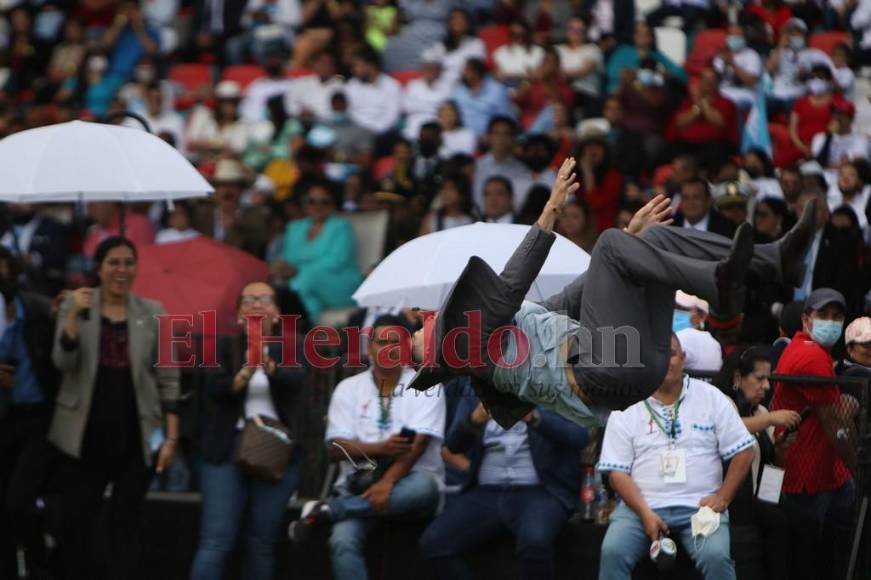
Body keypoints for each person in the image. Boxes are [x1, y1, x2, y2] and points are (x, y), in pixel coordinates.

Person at [407, 160, 816, 429]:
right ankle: (719, 290)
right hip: (600, 371)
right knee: (607, 243)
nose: (446, 320)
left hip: (638, 370)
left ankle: (773, 259)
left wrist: (633, 238)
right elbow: (514, 281)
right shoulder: (475, 349)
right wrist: (551, 207)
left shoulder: (507, 331)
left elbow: (576, 295)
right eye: (437, 331)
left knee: (653, 237)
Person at [51, 236, 180, 580]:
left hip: (137, 434)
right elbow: (62, 361)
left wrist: (170, 437)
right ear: (99, 267)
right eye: (113, 263)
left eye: (128, 263)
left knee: (127, 521)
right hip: (84, 432)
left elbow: (169, 376)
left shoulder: (155, 311)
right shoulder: (76, 305)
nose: (121, 270)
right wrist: (75, 315)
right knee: (77, 520)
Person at [287, 315, 446, 580]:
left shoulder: (426, 385)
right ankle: (338, 509)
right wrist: (382, 448)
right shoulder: (348, 388)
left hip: (409, 484)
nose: (388, 348)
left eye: (396, 342)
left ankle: (330, 510)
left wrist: (388, 482)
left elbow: (418, 446)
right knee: (342, 541)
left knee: (424, 486)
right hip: (359, 485)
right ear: (369, 348)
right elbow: (336, 448)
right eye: (381, 342)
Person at [597, 334, 755, 580]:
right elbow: (617, 473)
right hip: (640, 508)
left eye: (670, 354)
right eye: (656, 355)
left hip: (699, 508)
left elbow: (745, 450)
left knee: (716, 558)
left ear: (683, 358)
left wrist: (723, 498)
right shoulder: (626, 404)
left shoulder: (711, 398)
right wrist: (645, 514)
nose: (664, 362)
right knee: (612, 552)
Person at [190, 282, 306, 580]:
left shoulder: (292, 348)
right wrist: (245, 370)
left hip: (276, 452)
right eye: (249, 300)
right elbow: (215, 390)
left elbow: (294, 382)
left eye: (264, 299)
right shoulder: (221, 347)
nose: (256, 304)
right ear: (239, 312)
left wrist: (269, 366)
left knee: (261, 542)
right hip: (225, 452)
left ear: (278, 313)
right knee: (216, 540)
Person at [419, 393, 589, 580]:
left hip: (541, 492)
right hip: (486, 491)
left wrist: (534, 418)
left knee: (535, 540)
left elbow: (579, 437)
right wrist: (474, 420)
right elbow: (453, 445)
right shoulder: (474, 392)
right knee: (434, 542)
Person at [770, 288, 857, 580]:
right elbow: (836, 423)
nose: (830, 322)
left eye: (836, 316)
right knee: (812, 558)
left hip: (828, 471)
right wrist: (860, 469)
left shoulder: (808, 349)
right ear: (807, 320)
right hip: (806, 478)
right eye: (823, 315)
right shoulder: (812, 357)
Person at [0, 247, 59, 577]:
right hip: (2, 418)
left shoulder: (36, 310)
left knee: (19, 501)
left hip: (36, 418)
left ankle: (41, 553)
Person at [716, 346, 798, 580]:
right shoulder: (722, 403)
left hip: (762, 494)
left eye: (768, 379)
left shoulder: (760, 411)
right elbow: (730, 428)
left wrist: (780, 448)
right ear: (738, 378)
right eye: (760, 379)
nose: (766, 386)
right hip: (731, 498)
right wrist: (770, 419)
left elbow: (774, 467)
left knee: (799, 519)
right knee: (778, 522)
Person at [271, 181, 362, 322]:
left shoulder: (341, 227)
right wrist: (281, 266)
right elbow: (288, 258)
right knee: (310, 302)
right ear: (305, 204)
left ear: (333, 204)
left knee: (305, 279)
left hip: (340, 283)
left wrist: (298, 270)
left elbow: (336, 261)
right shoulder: (294, 228)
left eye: (324, 201)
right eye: (312, 201)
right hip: (304, 285)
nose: (317, 206)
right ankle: (303, 332)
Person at [192, 158, 271, 258]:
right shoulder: (203, 213)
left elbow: (261, 239)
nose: (228, 190)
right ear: (216, 189)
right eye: (223, 185)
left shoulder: (254, 215)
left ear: (241, 190)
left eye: (233, 185)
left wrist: (239, 223)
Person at [473, 116, 533, 211]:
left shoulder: (522, 170)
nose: (501, 138)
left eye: (506, 134)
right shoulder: (476, 167)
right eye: (496, 133)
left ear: (513, 139)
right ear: (489, 137)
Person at [345, 45, 402, 136]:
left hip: (382, 133)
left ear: (370, 66)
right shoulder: (351, 85)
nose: (354, 70)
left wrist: (375, 130)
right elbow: (348, 112)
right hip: (356, 132)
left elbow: (392, 116)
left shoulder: (391, 85)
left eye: (357, 66)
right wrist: (361, 131)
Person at [424, 7, 486, 90]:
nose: (457, 22)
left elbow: (475, 71)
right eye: (453, 19)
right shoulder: (441, 45)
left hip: (464, 88)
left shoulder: (476, 44)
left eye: (461, 19)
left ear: (468, 23)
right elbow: (428, 60)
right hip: (441, 87)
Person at [451, 58, 513, 139]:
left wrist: (490, 136)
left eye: (466, 71)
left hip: (488, 138)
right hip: (462, 137)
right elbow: (450, 111)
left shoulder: (497, 90)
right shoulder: (459, 90)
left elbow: (503, 118)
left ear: (475, 73)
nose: (463, 74)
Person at [673, 291, 722, 372]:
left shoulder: (685, 337)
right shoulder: (716, 344)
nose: (675, 311)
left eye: (683, 309)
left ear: (702, 317)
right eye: (675, 306)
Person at [672, 178, 737, 238]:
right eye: (685, 197)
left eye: (696, 197)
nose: (690, 202)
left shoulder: (727, 229)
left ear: (708, 200)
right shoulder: (670, 226)